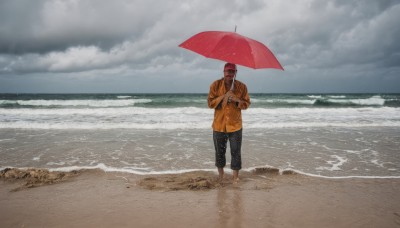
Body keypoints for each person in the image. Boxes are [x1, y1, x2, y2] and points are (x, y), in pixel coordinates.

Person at [208, 63, 251, 183]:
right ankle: (221, 175)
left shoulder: (242, 87)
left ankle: (235, 177)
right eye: (227, 71)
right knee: (219, 152)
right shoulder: (215, 85)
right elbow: (210, 103)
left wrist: (237, 100)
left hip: (235, 125)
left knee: (236, 151)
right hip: (219, 125)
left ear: (235, 73)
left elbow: (246, 104)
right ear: (223, 72)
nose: (229, 74)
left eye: (232, 71)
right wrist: (224, 97)